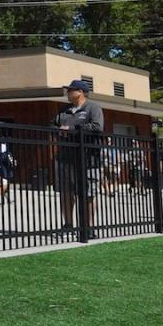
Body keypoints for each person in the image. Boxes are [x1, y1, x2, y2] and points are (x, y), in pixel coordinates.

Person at [54, 79, 104, 231]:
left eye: (70, 90)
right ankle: (68, 225)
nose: (68, 93)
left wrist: (71, 128)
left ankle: (88, 228)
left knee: (88, 193)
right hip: (65, 157)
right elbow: (52, 125)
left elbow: (97, 127)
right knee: (66, 193)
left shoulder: (93, 108)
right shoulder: (63, 110)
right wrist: (59, 130)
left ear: (81, 92)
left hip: (88, 158)